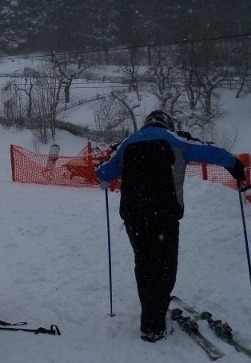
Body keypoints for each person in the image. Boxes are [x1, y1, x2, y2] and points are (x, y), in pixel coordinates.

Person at [95, 110, 246, 343]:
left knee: (144, 263)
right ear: (167, 124)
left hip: (134, 216)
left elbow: (103, 173)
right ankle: (153, 325)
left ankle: (150, 311)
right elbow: (212, 152)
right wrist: (235, 165)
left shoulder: (127, 143)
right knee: (163, 266)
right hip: (163, 213)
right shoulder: (174, 139)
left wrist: (113, 158)